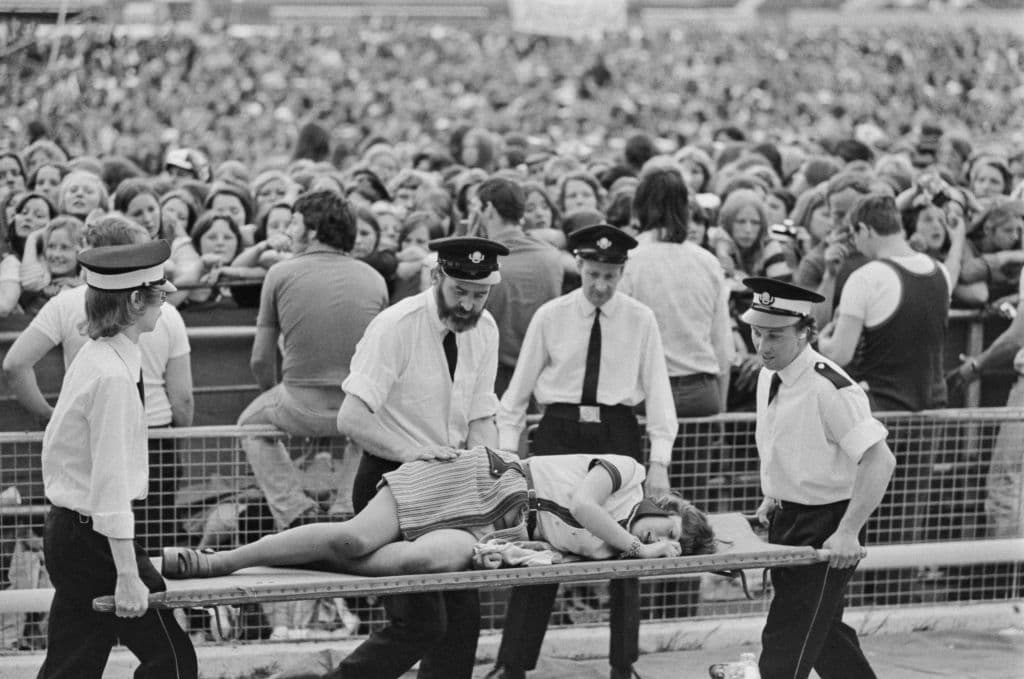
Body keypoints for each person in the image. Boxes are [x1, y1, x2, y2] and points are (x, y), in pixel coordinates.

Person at [491, 223, 677, 679]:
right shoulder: (551, 316)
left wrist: (659, 463)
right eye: (593, 273)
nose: (600, 285)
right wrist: (505, 460)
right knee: (540, 549)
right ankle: (512, 665)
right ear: (579, 264)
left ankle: (622, 665)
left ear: (622, 272)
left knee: (628, 556)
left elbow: (658, 391)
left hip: (617, 432)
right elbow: (515, 399)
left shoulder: (640, 319)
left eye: (610, 276)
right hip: (559, 432)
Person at [325, 235, 509, 679]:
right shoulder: (396, 325)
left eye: (479, 294)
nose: (468, 305)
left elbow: (482, 414)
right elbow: (351, 417)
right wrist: (416, 453)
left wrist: (494, 475)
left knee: (463, 625)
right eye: (459, 292)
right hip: (390, 482)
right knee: (421, 624)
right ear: (435, 277)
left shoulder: (485, 330)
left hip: (452, 489)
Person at [161, 448, 715, 578]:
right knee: (355, 540)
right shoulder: (628, 472)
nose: (652, 535)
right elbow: (579, 505)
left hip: (496, 530)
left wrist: (634, 551)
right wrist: (641, 548)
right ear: (664, 510)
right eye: (665, 529)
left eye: (666, 542)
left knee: (420, 562)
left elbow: (572, 544)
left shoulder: (609, 547)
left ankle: (291, 565)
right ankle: (222, 561)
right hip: (476, 479)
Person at [36, 239, 198, 679]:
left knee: (72, 664)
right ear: (133, 300)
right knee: (174, 662)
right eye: (159, 293)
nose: (165, 300)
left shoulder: (101, 356)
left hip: (75, 532)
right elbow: (109, 484)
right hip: (92, 536)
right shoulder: (111, 375)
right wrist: (128, 574)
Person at [3, 214, 193, 553]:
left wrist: (54, 415)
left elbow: (16, 364)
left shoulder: (68, 308)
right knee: (147, 550)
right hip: (154, 437)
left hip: (91, 454)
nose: (162, 303)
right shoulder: (117, 365)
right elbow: (183, 399)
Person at [742, 277, 895, 679]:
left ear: (805, 331)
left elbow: (880, 461)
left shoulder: (830, 386)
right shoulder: (769, 375)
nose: (763, 346)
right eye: (757, 332)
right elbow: (788, 444)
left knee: (784, 645)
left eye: (775, 335)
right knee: (825, 636)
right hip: (788, 518)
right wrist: (774, 494)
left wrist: (849, 530)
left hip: (826, 523)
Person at [238, 189, 388, 530]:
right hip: (357, 408)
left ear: (314, 230)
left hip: (296, 404)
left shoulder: (279, 273)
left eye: (294, 222)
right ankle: (345, 506)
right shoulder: (376, 280)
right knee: (367, 434)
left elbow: (260, 361)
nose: (289, 231)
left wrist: (274, 393)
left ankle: (294, 511)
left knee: (249, 424)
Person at [818, 194, 951, 412]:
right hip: (933, 407)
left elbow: (839, 354)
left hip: (882, 408)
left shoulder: (865, 278)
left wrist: (822, 339)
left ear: (864, 229)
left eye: (854, 235)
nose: (856, 245)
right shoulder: (941, 271)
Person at [475, 176, 564, 396]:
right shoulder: (552, 258)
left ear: (488, 209)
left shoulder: (482, 262)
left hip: (493, 380)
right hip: (543, 378)